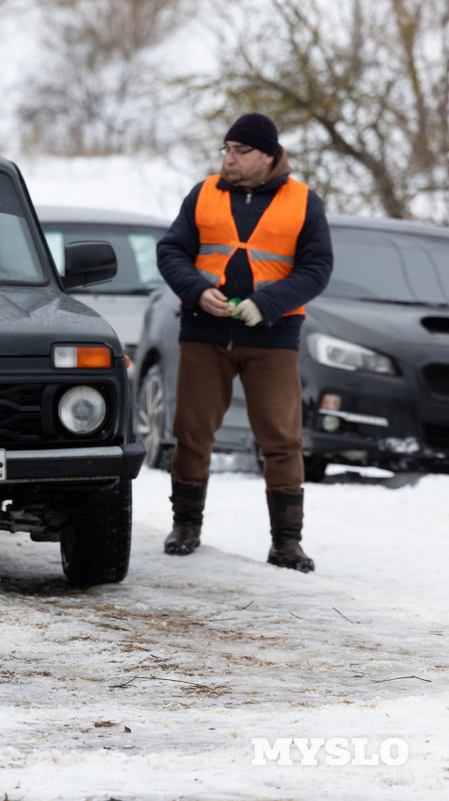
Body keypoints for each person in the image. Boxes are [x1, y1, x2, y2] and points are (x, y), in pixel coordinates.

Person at [156, 112, 333, 573]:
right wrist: (196, 290)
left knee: (281, 439)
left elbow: (317, 269)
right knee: (192, 434)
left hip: (273, 338)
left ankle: (287, 543)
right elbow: (171, 251)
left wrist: (268, 304)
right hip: (204, 332)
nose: (228, 159)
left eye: (240, 151)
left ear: (268, 156)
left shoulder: (303, 202)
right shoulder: (203, 193)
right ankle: (186, 527)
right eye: (226, 150)